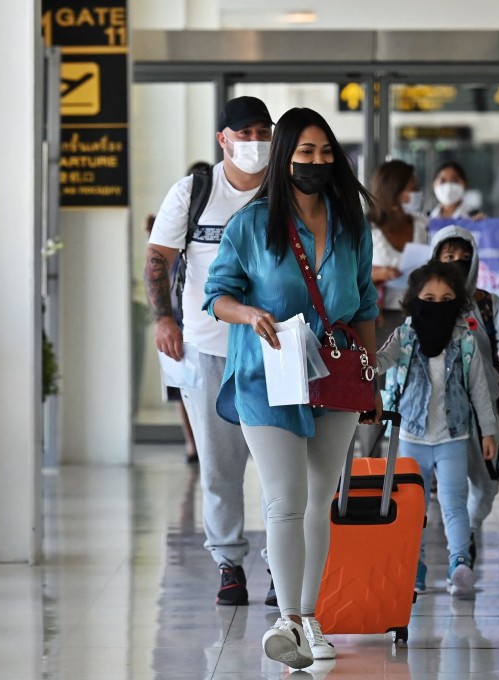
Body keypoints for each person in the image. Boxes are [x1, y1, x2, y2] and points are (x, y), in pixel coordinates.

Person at [203, 107, 380, 669]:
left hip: (335, 375)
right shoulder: (251, 225)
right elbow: (216, 295)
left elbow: (365, 305)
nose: (317, 162)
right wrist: (249, 313)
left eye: (326, 153)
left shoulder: (351, 224)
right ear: (285, 158)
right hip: (268, 375)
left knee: (318, 500)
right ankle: (291, 622)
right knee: (285, 499)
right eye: (306, 152)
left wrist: (371, 379)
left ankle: (308, 615)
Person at [145, 97, 273, 606]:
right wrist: (163, 317)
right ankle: (228, 563)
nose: (255, 142)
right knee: (220, 467)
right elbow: (158, 256)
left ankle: (280, 564)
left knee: (280, 465)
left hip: (274, 349)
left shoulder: (285, 189)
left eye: (262, 131)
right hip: (207, 346)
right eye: (244, 133)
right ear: (223, 139)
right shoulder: (194, 192)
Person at [377, 260, 499, 599]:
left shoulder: (464, 340)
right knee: (412, 507)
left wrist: (488, 432)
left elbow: (479, 389)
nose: (437, 306)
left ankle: (460, 563)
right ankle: (412, 564)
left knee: (454, 503)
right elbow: (380, 361)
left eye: (446, 300)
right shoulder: (404, 337)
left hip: (453, 436)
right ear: (414, 300)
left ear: (457, 303)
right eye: (429, 299)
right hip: (411, 437)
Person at [429, 225, 499, 559]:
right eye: (449, 257)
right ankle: (459, 550)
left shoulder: (488, 305)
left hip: (484, 409)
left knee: (487, 487)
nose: (456, 263)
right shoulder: (425, 301)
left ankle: (469, 529)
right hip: (443, 411)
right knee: (451, 488)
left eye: (464, 257)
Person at [356, 160, 430, 458]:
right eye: (410, 188)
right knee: (374, 383)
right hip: (378, 319)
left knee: (418, 381)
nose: (415, 194)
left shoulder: (422, 225)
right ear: (393, 190)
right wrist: (377, 273)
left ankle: (414, 456)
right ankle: (370, 457)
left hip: (417, 316)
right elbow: (351, 269)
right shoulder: (367, 227)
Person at [144, 160, 212, 465]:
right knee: (183, 385)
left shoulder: (209, 221)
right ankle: (192, 442)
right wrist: (164, 321)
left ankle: (199, 443)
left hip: (202, 317)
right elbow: (156, 264)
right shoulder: (176, 218)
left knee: (195, 385)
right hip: (177, 318)